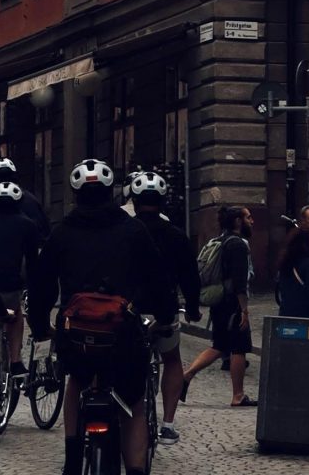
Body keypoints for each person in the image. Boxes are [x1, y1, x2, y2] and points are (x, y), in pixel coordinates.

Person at [31, 158, 156, 475]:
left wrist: (40, 325)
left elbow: (42, 284)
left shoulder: (62, 234)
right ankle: (137, 470)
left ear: (75, 196)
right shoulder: (133, 229)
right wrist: (161, 313)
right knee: (135, 402)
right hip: (123, 335)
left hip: (77, 337)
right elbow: (157, 278)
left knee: (76, 380)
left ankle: (72, 459)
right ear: (111, 193)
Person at [125, 171, 198, 437]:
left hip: (130, 308)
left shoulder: (126, 230)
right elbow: (190, 275)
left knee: (121, 358)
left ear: (134, 199)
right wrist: (192, 307)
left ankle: (122, 411)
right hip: (163, 309)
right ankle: (167, 424)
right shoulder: (176, 235)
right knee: (171, 359)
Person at [0, 174, 45, 390]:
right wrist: (32, 287)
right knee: (15, 317)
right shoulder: (27, 225)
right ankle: (15, 361)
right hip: (9, 287)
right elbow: (31, 262)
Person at [183, 208, 254, 409]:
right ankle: (238, 395)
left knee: (219, 345)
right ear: (238, 221)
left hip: (220, 301)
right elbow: (240, 281)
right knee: (239, 347)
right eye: (248, 217)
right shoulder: (238, 245)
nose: (252, 221)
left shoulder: (221, 241)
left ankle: (186, 375)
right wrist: (244, 310)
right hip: (232, 303)